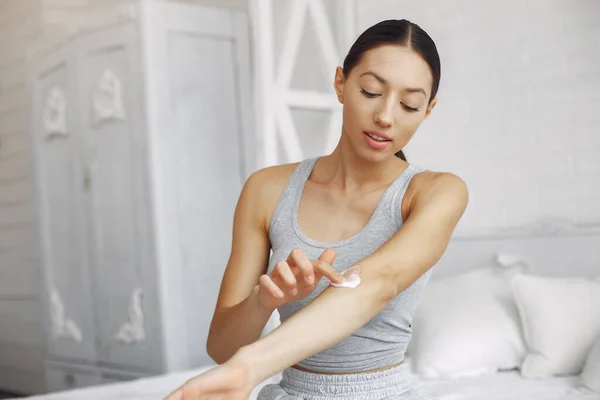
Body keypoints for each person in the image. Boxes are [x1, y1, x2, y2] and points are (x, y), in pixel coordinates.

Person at [166, 18, 468, 400]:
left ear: (427, 110)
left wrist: (250, 368)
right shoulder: (267, 189)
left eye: (409, 104)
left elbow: (376, 283)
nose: (386, 117)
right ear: (341, 83)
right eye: (371, 91)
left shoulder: (435, 192)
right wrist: (266, 300)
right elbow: (222, 350)